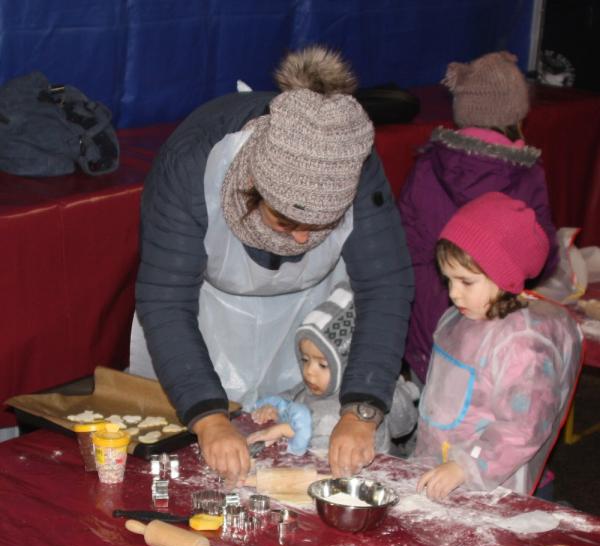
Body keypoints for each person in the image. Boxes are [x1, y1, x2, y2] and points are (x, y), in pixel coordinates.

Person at [129, 45, 414, 486]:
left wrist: (362, 409)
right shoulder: (192, 164)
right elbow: (165, 300)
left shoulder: (350, 165)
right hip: (204, 323)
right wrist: (207, 415)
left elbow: (386, 285)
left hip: (307, 318)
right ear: (249, 187)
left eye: (321, 225)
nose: (303, 240)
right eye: (286, 221)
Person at [397, 51, 559, 386]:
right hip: (491, 319)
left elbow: (405, 238)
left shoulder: (428, 163)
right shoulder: (525, 174)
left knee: (430, 405)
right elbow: (544, 253)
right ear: (515, 112)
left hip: (425, 313)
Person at [414, 192, 582, 501]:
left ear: (505, 277)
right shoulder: (458, 319)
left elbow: (522, 428)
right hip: (444, 469)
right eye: (448, 279)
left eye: (466, 282)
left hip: (494, 482)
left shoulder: (523, 346)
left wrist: (465, 466)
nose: (453, 293)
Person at [246, 283, 419, 455]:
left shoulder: (363, 405)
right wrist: (273, 408)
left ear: (348, 366)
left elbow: (328, 436)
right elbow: (289, 398)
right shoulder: (308, 388)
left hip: (366, 475)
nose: (309, 371)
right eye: (305, 360)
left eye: (322, 364)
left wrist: (290, 429)